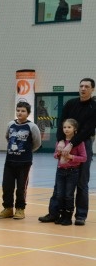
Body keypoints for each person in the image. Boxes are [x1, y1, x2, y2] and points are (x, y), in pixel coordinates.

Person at [39, 78, 95, 226]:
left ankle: (80, 215)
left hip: (83, 143)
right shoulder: (70, 103)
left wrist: (72, 144)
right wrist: (60, 142)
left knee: (82, 182)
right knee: (60, 180)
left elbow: (88, 129)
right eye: (81, 86)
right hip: (65, 143)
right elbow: (61, 123)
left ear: (92, 90)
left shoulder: (94, 107)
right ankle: (54, 212)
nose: (83, 88)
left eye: (87, 86)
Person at [0, 101, 41, 220]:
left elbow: (37, 143)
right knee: (7, 186)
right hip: (10, 161)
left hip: (24, 162)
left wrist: (26, 151)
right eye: (18, 110)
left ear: (28, 113)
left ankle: (20, 209)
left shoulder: (32, 126)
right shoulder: (11, 124)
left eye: (23, 111)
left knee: (21, 187)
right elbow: (8, 137)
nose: (20, 113)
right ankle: (8, 208)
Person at [52, 119, 88, 225]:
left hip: (72, 172)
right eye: (64, 127)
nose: (66, 129)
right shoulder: (60, 142)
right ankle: (61, 214)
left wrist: (71, 157)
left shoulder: (79, 143)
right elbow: (55, 155)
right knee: (59, 194)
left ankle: (68, 217)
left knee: (68, 195)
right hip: (60, 171)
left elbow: (84, 158)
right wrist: (58, 154)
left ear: (75, 129)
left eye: (69, 127)